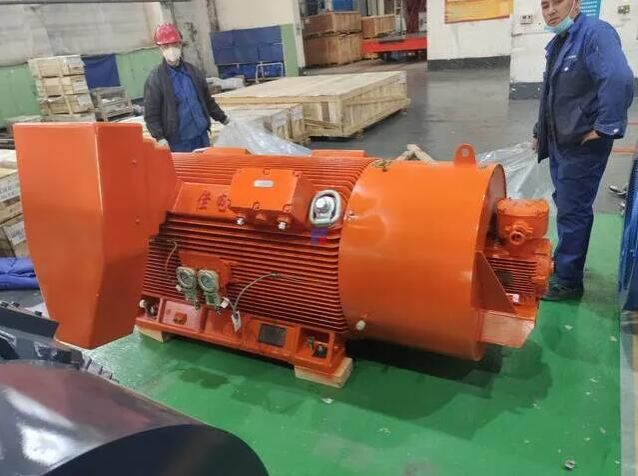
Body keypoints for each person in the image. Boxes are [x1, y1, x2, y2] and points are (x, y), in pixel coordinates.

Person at [534, 0, 634, 301]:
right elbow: (553, 93)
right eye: (545, 5)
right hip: (562, 140)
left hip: (582, 144)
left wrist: (604, 127)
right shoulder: (560, 42)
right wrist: (540, 131)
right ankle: (568, 263)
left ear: (576, 4)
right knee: (566, 202)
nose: (550, 11)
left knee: (573, 209)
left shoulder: (595, 33)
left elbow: (618, 78)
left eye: (558, 2)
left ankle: (568, 281)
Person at [144, 23, 229, 152]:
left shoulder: (193, 72)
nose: (171, 49)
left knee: (206, 164)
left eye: (174, 44)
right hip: (178, 142)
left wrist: (224, 119)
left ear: (180, 44)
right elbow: (151, 114)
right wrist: (159, 137)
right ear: (160, 48)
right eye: (166, 46)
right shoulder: (156, 79)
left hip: (202, 136)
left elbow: (207, 101)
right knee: (187, 167)